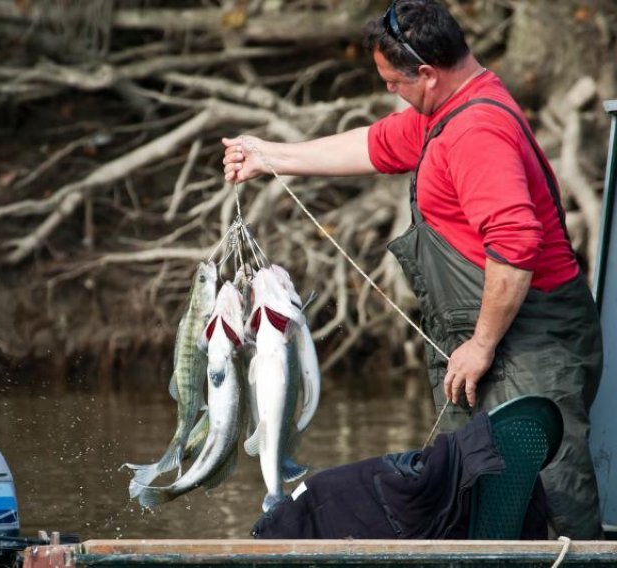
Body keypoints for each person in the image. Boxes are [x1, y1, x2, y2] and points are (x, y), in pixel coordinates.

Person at [221, 0, 603, 540]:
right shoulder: (443, 111)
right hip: (490, 337)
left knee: (552, 483)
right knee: (466, 485)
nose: (389, 93)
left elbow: (516, 246)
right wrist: (269, 156)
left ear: (427, 73)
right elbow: (374, 145)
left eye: (392, 82)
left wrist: (482, 344)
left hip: (530, 341)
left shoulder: (476, 132)